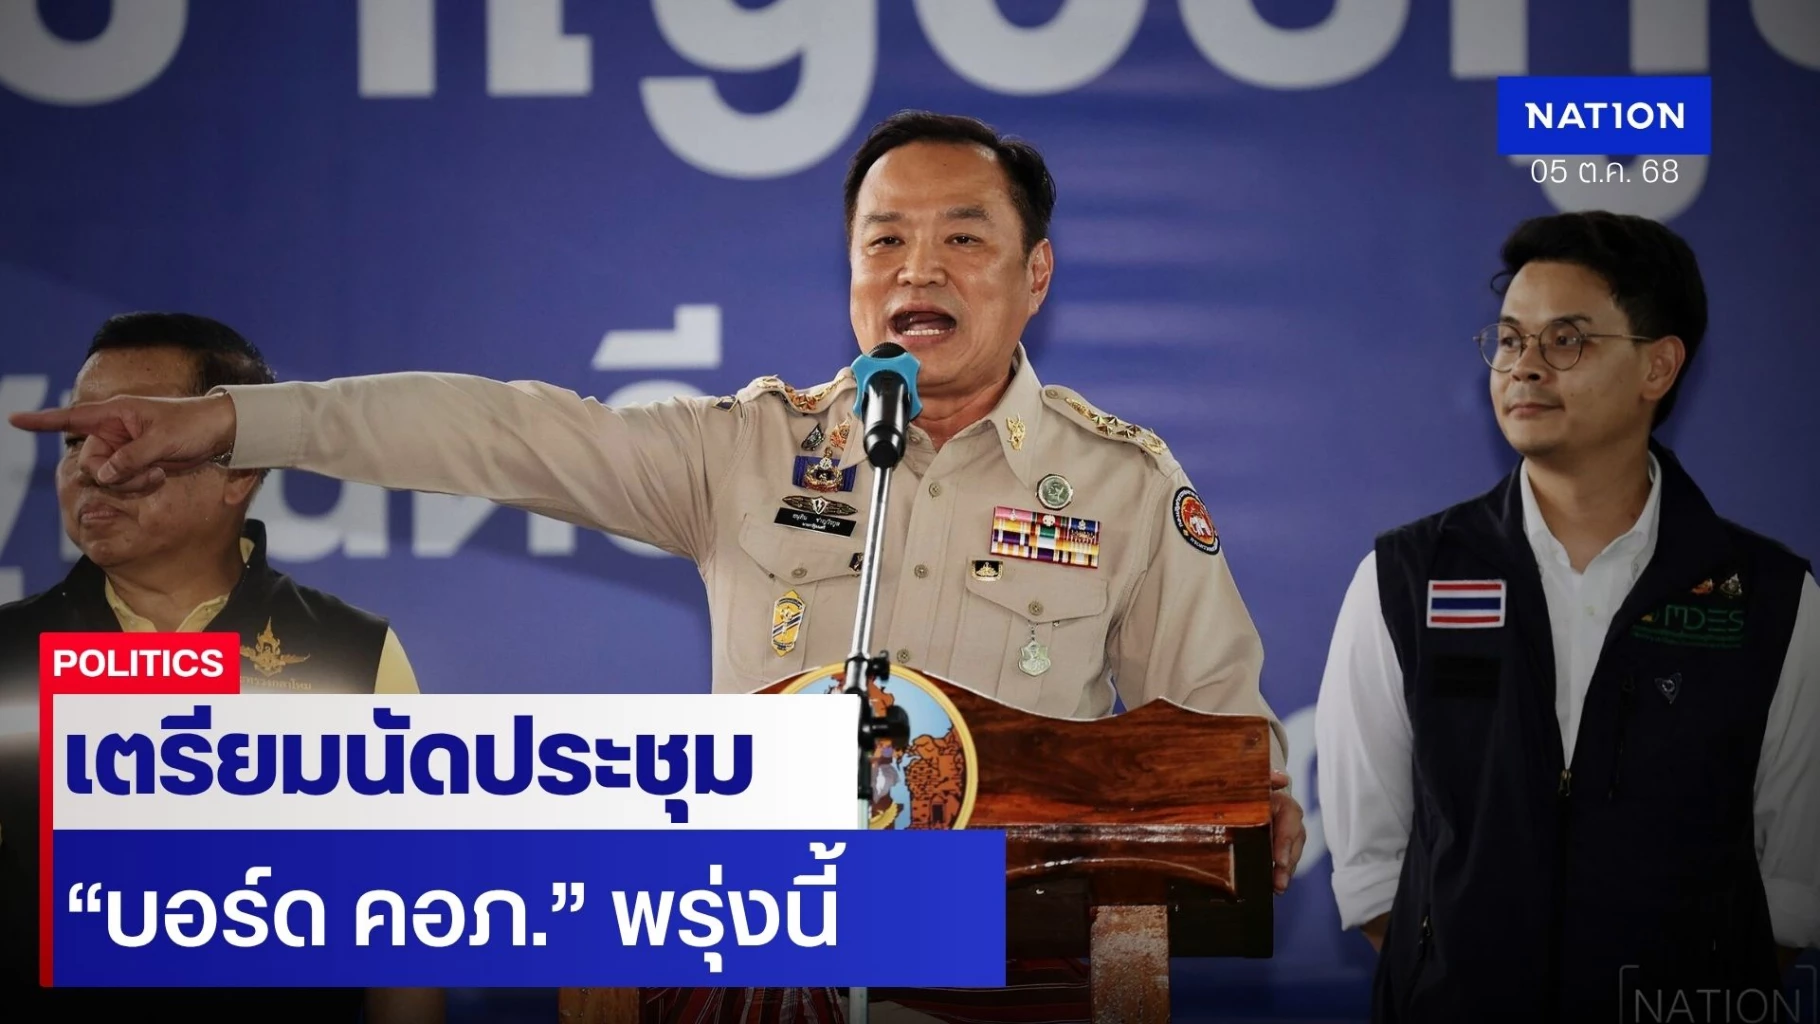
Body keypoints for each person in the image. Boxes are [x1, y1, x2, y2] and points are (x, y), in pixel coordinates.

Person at [11, 113, 1306, 1022]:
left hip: (1011, 969)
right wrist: (235, 422)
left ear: (1034, 276)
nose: (917, 268)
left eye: (963, 239)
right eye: (882, 240)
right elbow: (496, 431)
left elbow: (1220, 750)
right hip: (759, 973)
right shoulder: (749, 451)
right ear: (851, 273)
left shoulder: (1123, 484)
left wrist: (1261, 804)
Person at [1314, 212, 1818, 1022]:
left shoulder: (1768, 597)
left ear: (1659, 365)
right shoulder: (1405, 579)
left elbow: (1792, 883)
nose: (1525, 366)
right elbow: (1374, 872)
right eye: (1512, 339)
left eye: (1567, 340)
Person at [0, 313, 440, 1022]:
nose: (88, 466)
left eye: (130, 435)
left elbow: (406, 935)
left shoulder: (353, 656)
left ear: (238, 470)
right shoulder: (8, 654)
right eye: (76, 439)